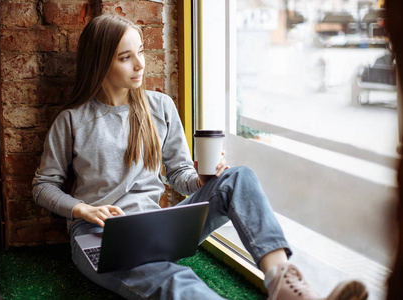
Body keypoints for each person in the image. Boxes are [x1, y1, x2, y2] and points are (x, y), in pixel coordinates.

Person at [32, 14, 368, 300]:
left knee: (238, 177)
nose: (140, 64)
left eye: (141, 52)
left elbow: (180, 173)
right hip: (99, 237)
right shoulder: (73, 120)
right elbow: (43, 186)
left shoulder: (159, 107)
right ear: (100, 62)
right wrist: (82, 209)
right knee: (177, 281)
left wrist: (202, 180)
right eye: (125, 57)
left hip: (157, 228)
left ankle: (282, 282)